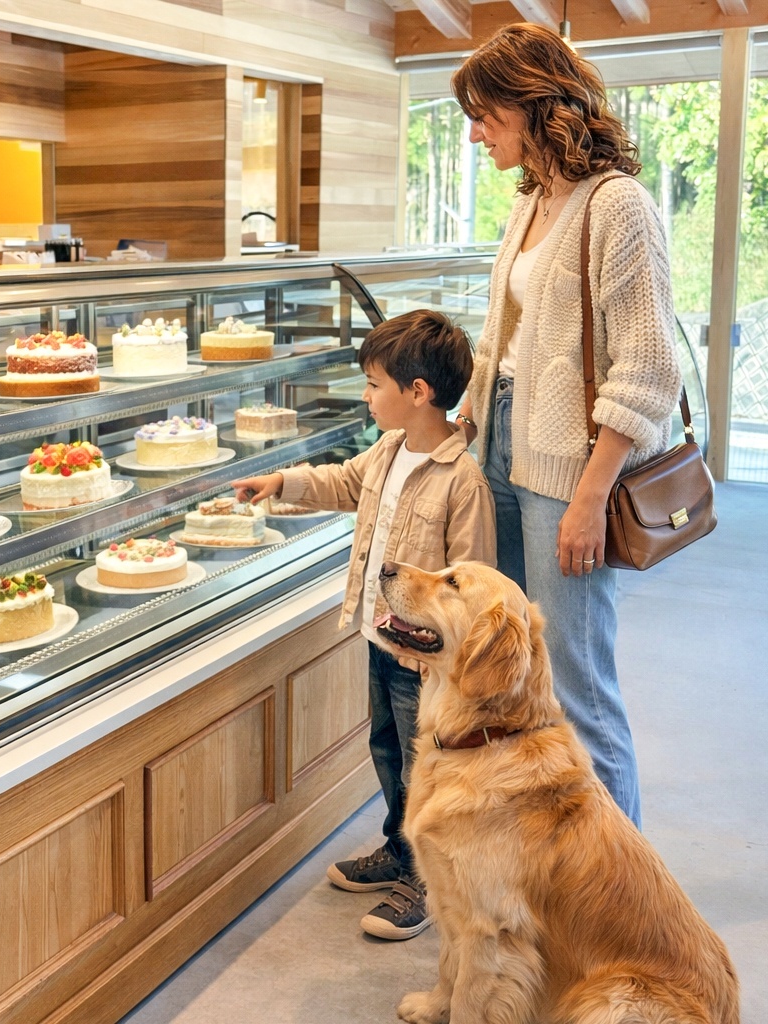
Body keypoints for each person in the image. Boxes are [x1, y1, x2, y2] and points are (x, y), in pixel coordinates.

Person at [450, 23, 682, 828]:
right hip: (502, 443)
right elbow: (505, 332)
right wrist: (470, 410)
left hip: (568, 465)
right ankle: (543, 860)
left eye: (484, 116)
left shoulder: (617, 204)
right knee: (513, 673)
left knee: (577, 685)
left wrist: (589, 496)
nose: (475, 135)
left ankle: (620, 881)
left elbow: (647, 367)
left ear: (532, 104)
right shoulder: (532, 199)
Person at [233, 309, 496, 940]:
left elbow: (471, 583)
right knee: (386, 750)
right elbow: (342, 482)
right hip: (380, 638)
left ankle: (430, 880)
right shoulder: (388, 450)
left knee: (423, 768)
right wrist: (282, 481)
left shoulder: (463, 481)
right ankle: (401, 850)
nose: (366, 395)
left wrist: (442, 658)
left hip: (422, 660)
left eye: (375, 384)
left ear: (418, 392)